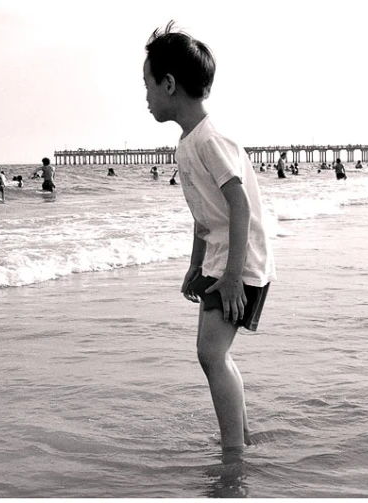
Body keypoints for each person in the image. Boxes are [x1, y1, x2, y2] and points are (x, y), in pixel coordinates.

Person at [144, 21, 276, 454]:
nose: (145, 97)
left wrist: (234, 276)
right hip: (219, 259)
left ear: (169, 84)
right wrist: (195, 264)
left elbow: (241, 206)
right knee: (212, 353)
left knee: (210, 353)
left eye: (147, 86)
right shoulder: (187, 144)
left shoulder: (210, 142)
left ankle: (233, 450)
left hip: (241, 263)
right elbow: (203, 215)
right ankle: (241, 438)